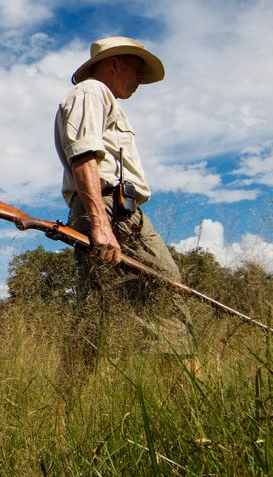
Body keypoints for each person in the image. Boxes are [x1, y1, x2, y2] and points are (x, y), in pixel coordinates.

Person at [53, 36, 195, 390]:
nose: (140, 79)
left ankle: (64, 407)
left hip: (109, 211)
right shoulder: (92, 91)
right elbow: (84, 155)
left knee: (95, 313)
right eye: (137, 68)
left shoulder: (100, 98)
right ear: (114, 63)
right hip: (112, 212)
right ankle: (188, 403)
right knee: (167, 295)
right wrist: (101, 224)